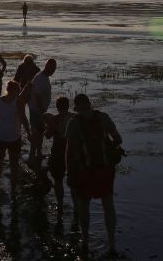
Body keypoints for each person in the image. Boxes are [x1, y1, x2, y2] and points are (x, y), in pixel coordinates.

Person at [66, 94, 123, 256]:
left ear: (76, 107)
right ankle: (112, 245)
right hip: (105, 169)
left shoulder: (73, 123)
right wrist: (108, 146)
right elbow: (118, 139)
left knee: (83, 206)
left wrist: (69, 173)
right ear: (89, 104)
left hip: (85, 170)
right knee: (108, 206)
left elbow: (70, 151)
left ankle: (85, 242)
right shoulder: (103, 117)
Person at [0, 80, 30, 192]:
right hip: (14, 137)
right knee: (14, 164)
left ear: (7, 89)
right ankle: (13, 189)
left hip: (1, 136)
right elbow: (24, 119)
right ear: (16, 90)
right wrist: (29, 133)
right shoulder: (19, 102)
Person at [44, 96, 74, 217]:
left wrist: (46, 126)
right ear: (68, 105)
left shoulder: (54, 119)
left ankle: (60, 206)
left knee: (58, 180)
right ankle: (77, 207)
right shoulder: (74, 117)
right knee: (74, 180)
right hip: (73, 151)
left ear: (57, 107)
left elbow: (48, 136)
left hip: (58, 152)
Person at [24, 58, 56, 162]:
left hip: (39, 110)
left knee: (40, 132)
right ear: (46, 66)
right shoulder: (40, 78)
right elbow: (37, 96)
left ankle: (38, 152)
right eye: (51, 68)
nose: (53, 70)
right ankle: (32, 154)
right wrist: (43, 113)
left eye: (54, 68)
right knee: (36, 133)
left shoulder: (44, 77)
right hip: (36, 110)